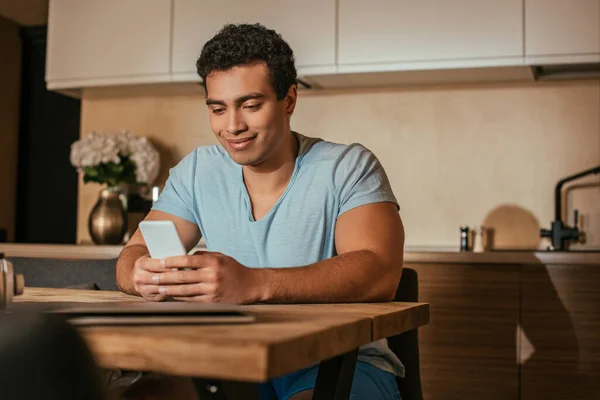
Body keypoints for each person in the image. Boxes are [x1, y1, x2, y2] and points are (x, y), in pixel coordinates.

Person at [116, 23, 405, 400]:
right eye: (218, 109)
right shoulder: (199, 170)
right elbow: (132, 254)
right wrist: (140, 274)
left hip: (339, 362)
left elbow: (379, 272)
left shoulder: (347, 166)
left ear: (289, 101)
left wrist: (254, 284)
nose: (233, 126)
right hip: (232, 362)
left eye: (251, 105)